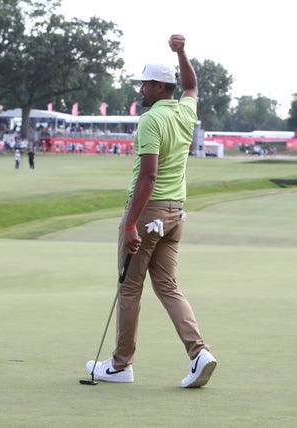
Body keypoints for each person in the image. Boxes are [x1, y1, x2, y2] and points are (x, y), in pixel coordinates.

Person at [86, 34, 217, 388]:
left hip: (149, 212)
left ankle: (120, 365)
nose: (141, 89)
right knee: (168, 286)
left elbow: (148, 175)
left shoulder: (150, 121)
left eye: (145, 84)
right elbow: (191, 85)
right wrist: (183, 52)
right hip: (176, 214)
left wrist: (130, 224)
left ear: (159, 86)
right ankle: (199, 352)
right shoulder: (185, 111)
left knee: (129, 288)